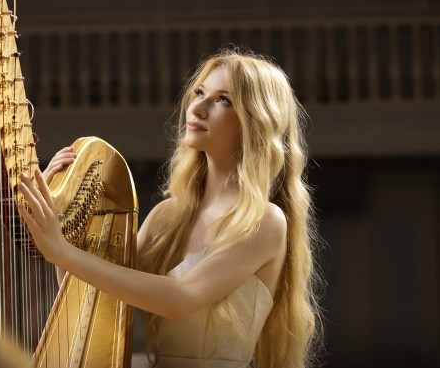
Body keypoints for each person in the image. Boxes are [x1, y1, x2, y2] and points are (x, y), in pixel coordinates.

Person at [17, 49, 323, 368]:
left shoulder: (264, 221)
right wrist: (56, 222)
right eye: (199, 93)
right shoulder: (167, 216)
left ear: (256, 121)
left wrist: (62, 251)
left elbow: (181, 299)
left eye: (223, 100)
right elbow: (92, 289)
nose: (198, 108)